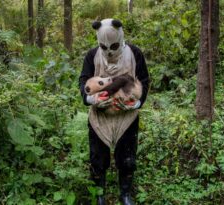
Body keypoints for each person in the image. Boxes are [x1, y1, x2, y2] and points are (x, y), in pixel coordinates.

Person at [79, 18, 149, 205]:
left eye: (113, 45)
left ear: (120, 35)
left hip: (127, 117)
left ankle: (125, 193)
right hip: (99, 117)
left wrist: (137, 103)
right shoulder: (92, 55)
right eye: (104, 46)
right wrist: (91, 99)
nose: (109, 50)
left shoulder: (135, 53)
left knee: (127, 158)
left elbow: (144, 79)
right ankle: (99, 194)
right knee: (97, 157)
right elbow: (83, 80)